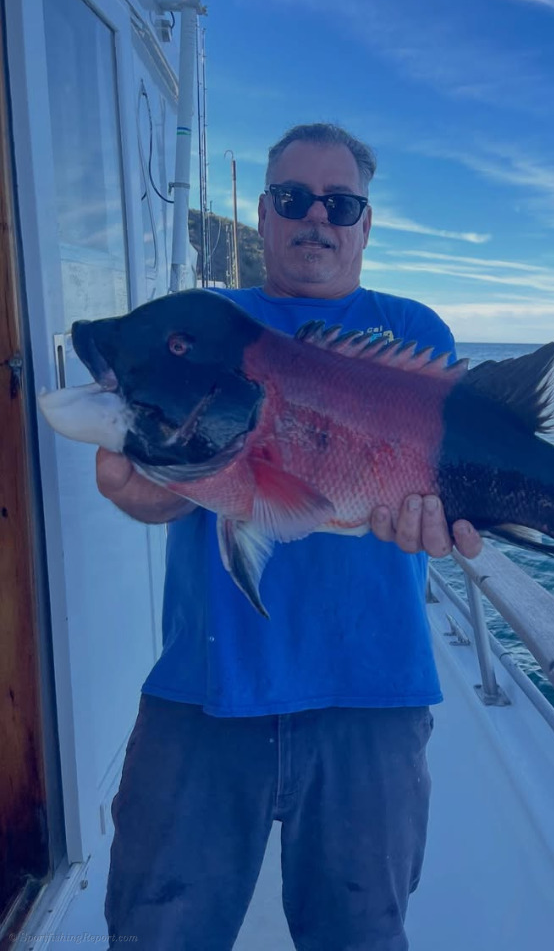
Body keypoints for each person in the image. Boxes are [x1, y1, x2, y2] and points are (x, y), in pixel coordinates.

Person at [98, 123, 482, 951]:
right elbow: (178, 492)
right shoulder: (211, 325)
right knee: (155, 933)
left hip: (372, 694)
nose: (316, 218)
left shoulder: (414, 333)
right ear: (263, 215)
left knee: (361, 936)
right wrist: (140, 492)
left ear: (366, 224)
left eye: (339, 204)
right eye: (293, 198)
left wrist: (442, 527)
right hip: (205, 690)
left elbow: (442, 490)